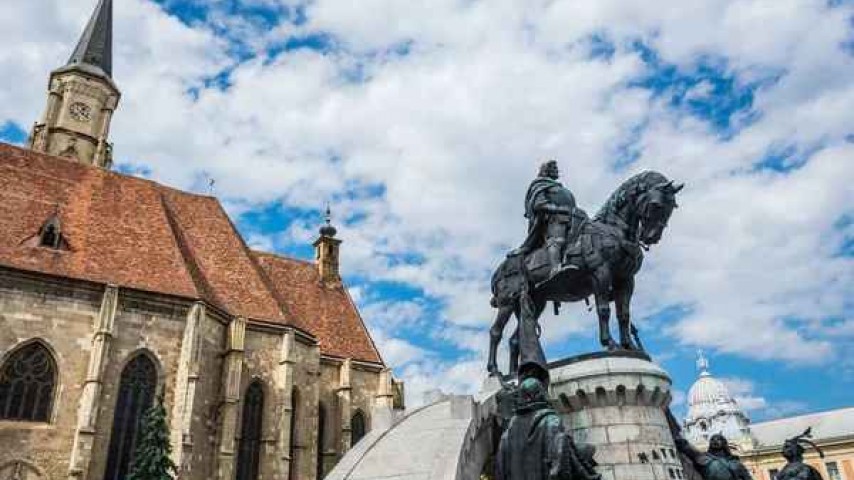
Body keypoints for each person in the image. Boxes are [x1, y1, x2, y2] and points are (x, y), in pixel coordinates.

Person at [496, 377, 600, 480]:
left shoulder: (508, 433)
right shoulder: (551, 421)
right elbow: (559, 467)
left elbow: (500, 471)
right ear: (538, 395)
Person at [513, 160, 587, 277]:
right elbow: (539, 204)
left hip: (573, 218)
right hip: (554, 219)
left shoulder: (558, 187)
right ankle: (555, 269)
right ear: (547, 171)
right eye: (554, 169)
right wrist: (559, 209)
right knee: (557, 241)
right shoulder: (539, 185)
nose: (557, 171)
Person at [676, 434, 753, 480]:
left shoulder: (736, 463)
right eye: (712, 439)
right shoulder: (704, 458)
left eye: (718, 439)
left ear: (724, 443)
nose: (715, 441)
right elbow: (688, 449)